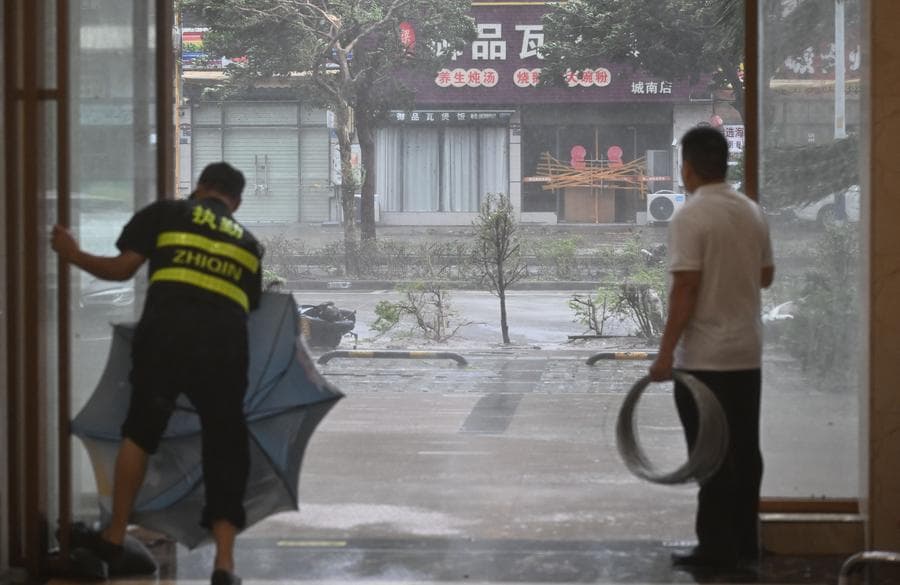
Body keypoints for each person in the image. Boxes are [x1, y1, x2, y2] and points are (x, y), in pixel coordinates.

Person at [52, 162, 264, 585]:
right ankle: (225, 565)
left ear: (200, 188)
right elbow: (248, 307)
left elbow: (120, 269)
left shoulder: (167, 214)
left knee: (141, 432)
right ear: (235, 203)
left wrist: (70, 252)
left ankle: (114, 538)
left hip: (165, 340)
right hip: (224, 351)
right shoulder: (249, 244)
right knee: (224, 449)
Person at [648, 127, 775, 572]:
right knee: (746, 449)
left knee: (710, 457)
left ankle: (714, 551)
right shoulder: (752, 211)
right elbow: (765, 276)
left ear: (687, 165)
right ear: (725, 163)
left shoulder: (690, 215)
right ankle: (745, 545)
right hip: (747, 354)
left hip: (704, 360)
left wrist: (664, 355)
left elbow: (685, 288)